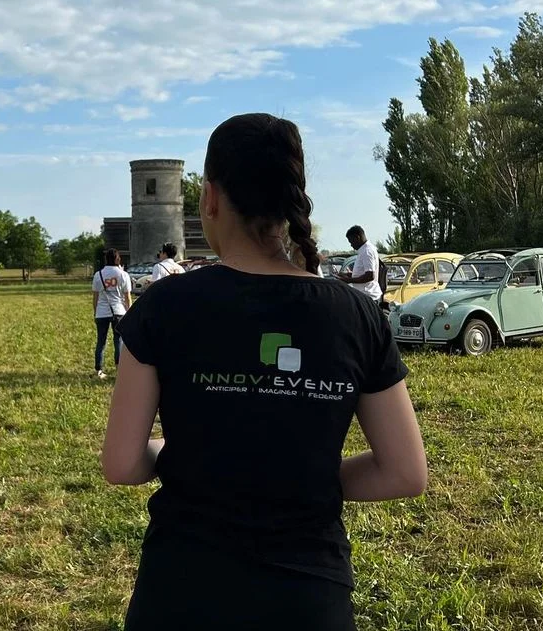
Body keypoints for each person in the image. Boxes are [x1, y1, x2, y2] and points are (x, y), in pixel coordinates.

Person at [101, 113, 427, 630]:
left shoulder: (165, 305)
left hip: (180, 590)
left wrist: (172, 453)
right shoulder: (357, 316)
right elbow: (406, 472)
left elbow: (121, 464)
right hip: (308, 597)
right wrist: (302, 477)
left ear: (210, 197)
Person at [92, 248, 132, 379]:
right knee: (118, 340)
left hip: (102, 312)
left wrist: (95, 312)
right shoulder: (123, 275)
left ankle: (99, 370)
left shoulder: (98, 274)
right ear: (117, 259)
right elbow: (127, 297)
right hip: (119, 311)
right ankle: (119, 368)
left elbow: (95, 297)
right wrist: (129, 312)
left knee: (101, 341)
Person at [337, 226, 382, 302]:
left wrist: (349, 280)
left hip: (369, 296)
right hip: (365, 295)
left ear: (357, 238)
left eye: (351, 242)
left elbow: (370, 276)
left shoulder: (367, 251)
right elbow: (364, 273)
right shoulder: (364, 250)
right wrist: (348, 275)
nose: (351, 245)